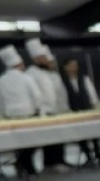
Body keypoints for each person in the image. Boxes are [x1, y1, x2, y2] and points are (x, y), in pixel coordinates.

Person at [0, 45, 43, 178]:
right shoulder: (26, 78)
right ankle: (27, 166)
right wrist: (37, 110)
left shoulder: (0, 80)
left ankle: (21, 165)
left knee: (18, 143)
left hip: (10, 116)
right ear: (20, 64)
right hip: (28, 114)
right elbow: (37, 96)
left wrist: (3, 113)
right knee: (31, 143)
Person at [25, 39, 72, 173]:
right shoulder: (30, 74)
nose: (48, 61)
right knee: (46, 140)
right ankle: (49, 163)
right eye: (44, 58)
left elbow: (60, 93)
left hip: (56, 111)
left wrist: (64, 109)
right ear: (37, 59)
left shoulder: (52, 74)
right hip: (42, 112)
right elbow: (34, 95)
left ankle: (58, 161)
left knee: (58, 138)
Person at [62, 58, 100, 168]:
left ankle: (99, 155)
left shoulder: (84, 78)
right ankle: (88, 156)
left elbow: (91, 92)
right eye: (71, 65)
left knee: (94, 133)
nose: (74, 68)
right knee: (80, 135)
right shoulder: (63, 81)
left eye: (75, 65)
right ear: (66, 67)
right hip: (74, 110)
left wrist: (93, 103)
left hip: (87, 108)